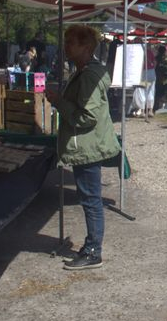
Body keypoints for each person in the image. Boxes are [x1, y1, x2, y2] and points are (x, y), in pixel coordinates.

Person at [46, 25, 121, 270]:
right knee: (89, 199)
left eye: (71, 43)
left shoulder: (88, 75)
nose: (66, 47)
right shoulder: (84, 72)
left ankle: (92, 252)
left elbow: (87, 116)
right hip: (86, 144)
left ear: (86, 48)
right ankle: (91, 247)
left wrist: (59, 103)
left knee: (90, 200)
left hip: (88, 145)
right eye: (66, 42)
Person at [130, 43, 157, 120]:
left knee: (142, 91)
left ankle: (142, 111)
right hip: (151, 72)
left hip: (143, 73)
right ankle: (150, 110)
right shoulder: (150, 52)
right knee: (151, 91)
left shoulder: (138, 53)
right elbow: (155, 62)